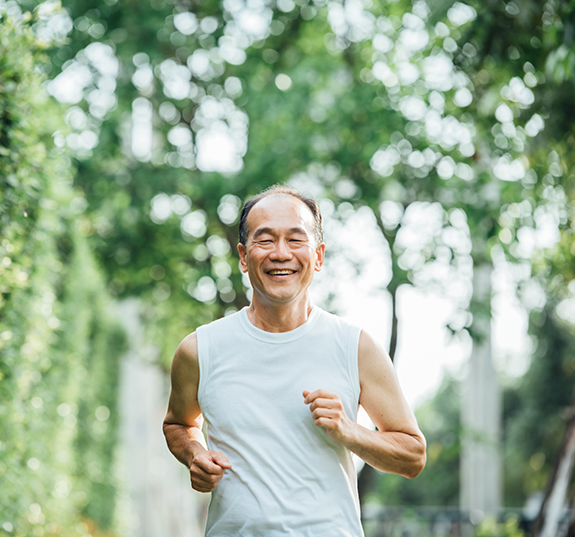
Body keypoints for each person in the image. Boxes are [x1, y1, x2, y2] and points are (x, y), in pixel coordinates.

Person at [162, 185, 426, 537]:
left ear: (318, 256)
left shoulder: (356, 347)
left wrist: (349, 430)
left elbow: (412, 456)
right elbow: (177, 423)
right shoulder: (199, 350)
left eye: (296, 240)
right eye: (265, 240)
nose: (280, 253)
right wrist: (194, 453)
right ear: (243, 256)